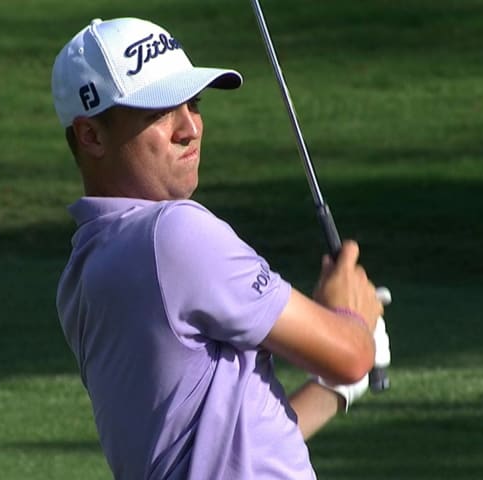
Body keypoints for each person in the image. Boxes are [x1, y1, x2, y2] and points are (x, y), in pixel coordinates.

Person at [53, 17, 387, 479]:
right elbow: (350, 355)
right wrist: (352, 318)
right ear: (91, 135)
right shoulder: (173, 235)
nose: (190, 128)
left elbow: (228, 448)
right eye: (159, 112)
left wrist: (332, 390)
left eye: (194, 103)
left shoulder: (86, 268)